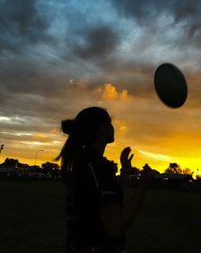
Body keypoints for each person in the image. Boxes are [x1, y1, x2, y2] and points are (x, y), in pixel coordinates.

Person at [55, 107, 155, 253]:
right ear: (102, 128)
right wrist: (142, 188)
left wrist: (125, 171)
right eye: (110, 123)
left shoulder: (86, 161)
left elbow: (108, 200)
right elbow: (115, 228)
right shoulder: (97, 166)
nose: (113, 127)